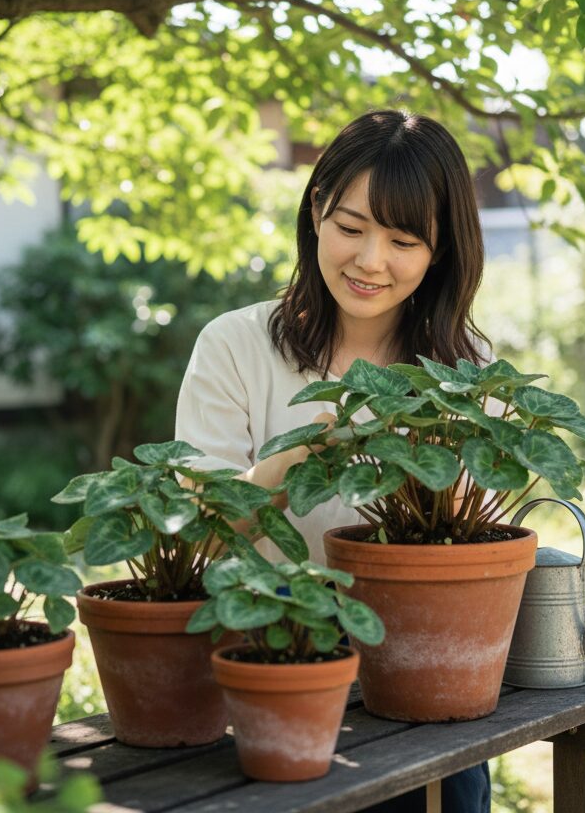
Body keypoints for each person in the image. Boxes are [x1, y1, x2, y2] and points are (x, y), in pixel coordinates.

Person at [175, 108, 492, 812]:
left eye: (404, 240)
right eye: (351, 228)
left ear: (439, 251)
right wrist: (299, 460)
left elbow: (466, 566)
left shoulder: (467, 375)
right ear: (316, 210)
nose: (370, 260)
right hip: (268, 680)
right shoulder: (234, 346)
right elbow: (197, 533)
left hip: (415, 685)